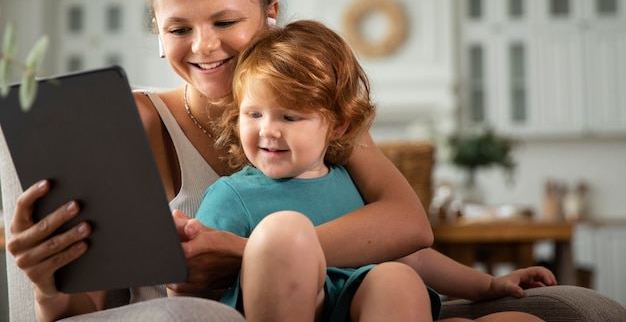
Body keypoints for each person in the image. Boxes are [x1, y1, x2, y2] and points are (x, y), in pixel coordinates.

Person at [6, 0, 555, 321]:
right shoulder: (129, 121)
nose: (203, 47)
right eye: (178, 29)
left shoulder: (314, 112)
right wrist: (49, 287)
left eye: (225, 21)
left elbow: (408, 225)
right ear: (158, 34)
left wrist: (250, 251)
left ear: (270, 15)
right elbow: (94, 307)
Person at [190, 19, 548, 322]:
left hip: (373, 308)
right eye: (254, 114)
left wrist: (488, 285)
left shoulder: (351, 182)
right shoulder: (232, 196)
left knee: (407, 280)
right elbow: (200, 282)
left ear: (338, 126)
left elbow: (414, 256)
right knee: (286, 231)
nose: (267, 129)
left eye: (289, 116)